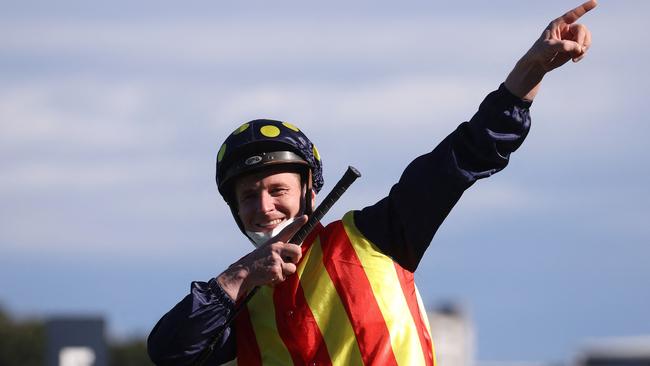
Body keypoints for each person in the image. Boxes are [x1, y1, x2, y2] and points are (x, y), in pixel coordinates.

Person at [148, 1, 597, 365]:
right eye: (248, 196)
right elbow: (169, 353)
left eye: (277, 190)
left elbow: (465, 156)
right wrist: (239, 276)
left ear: (310, 191)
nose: (263, 205)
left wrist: (529, 74)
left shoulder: (377, 235)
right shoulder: (240, 302)